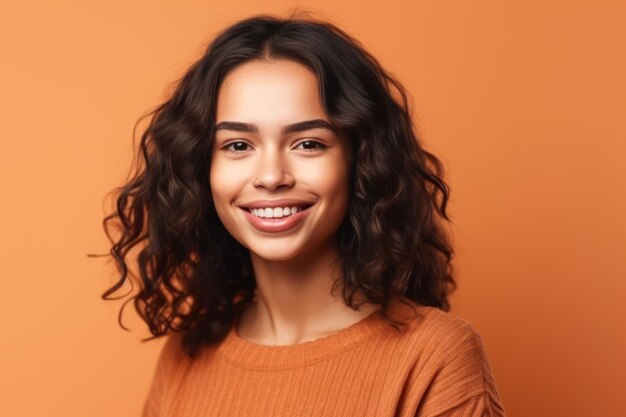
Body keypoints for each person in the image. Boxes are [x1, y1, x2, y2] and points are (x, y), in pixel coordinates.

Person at [101, 11, 506, 417]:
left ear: (360, 160)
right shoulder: (185, 358)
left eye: (308, 143)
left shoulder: (433, 357)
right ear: (201, 167)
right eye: (239, 145)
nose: (272, 176)